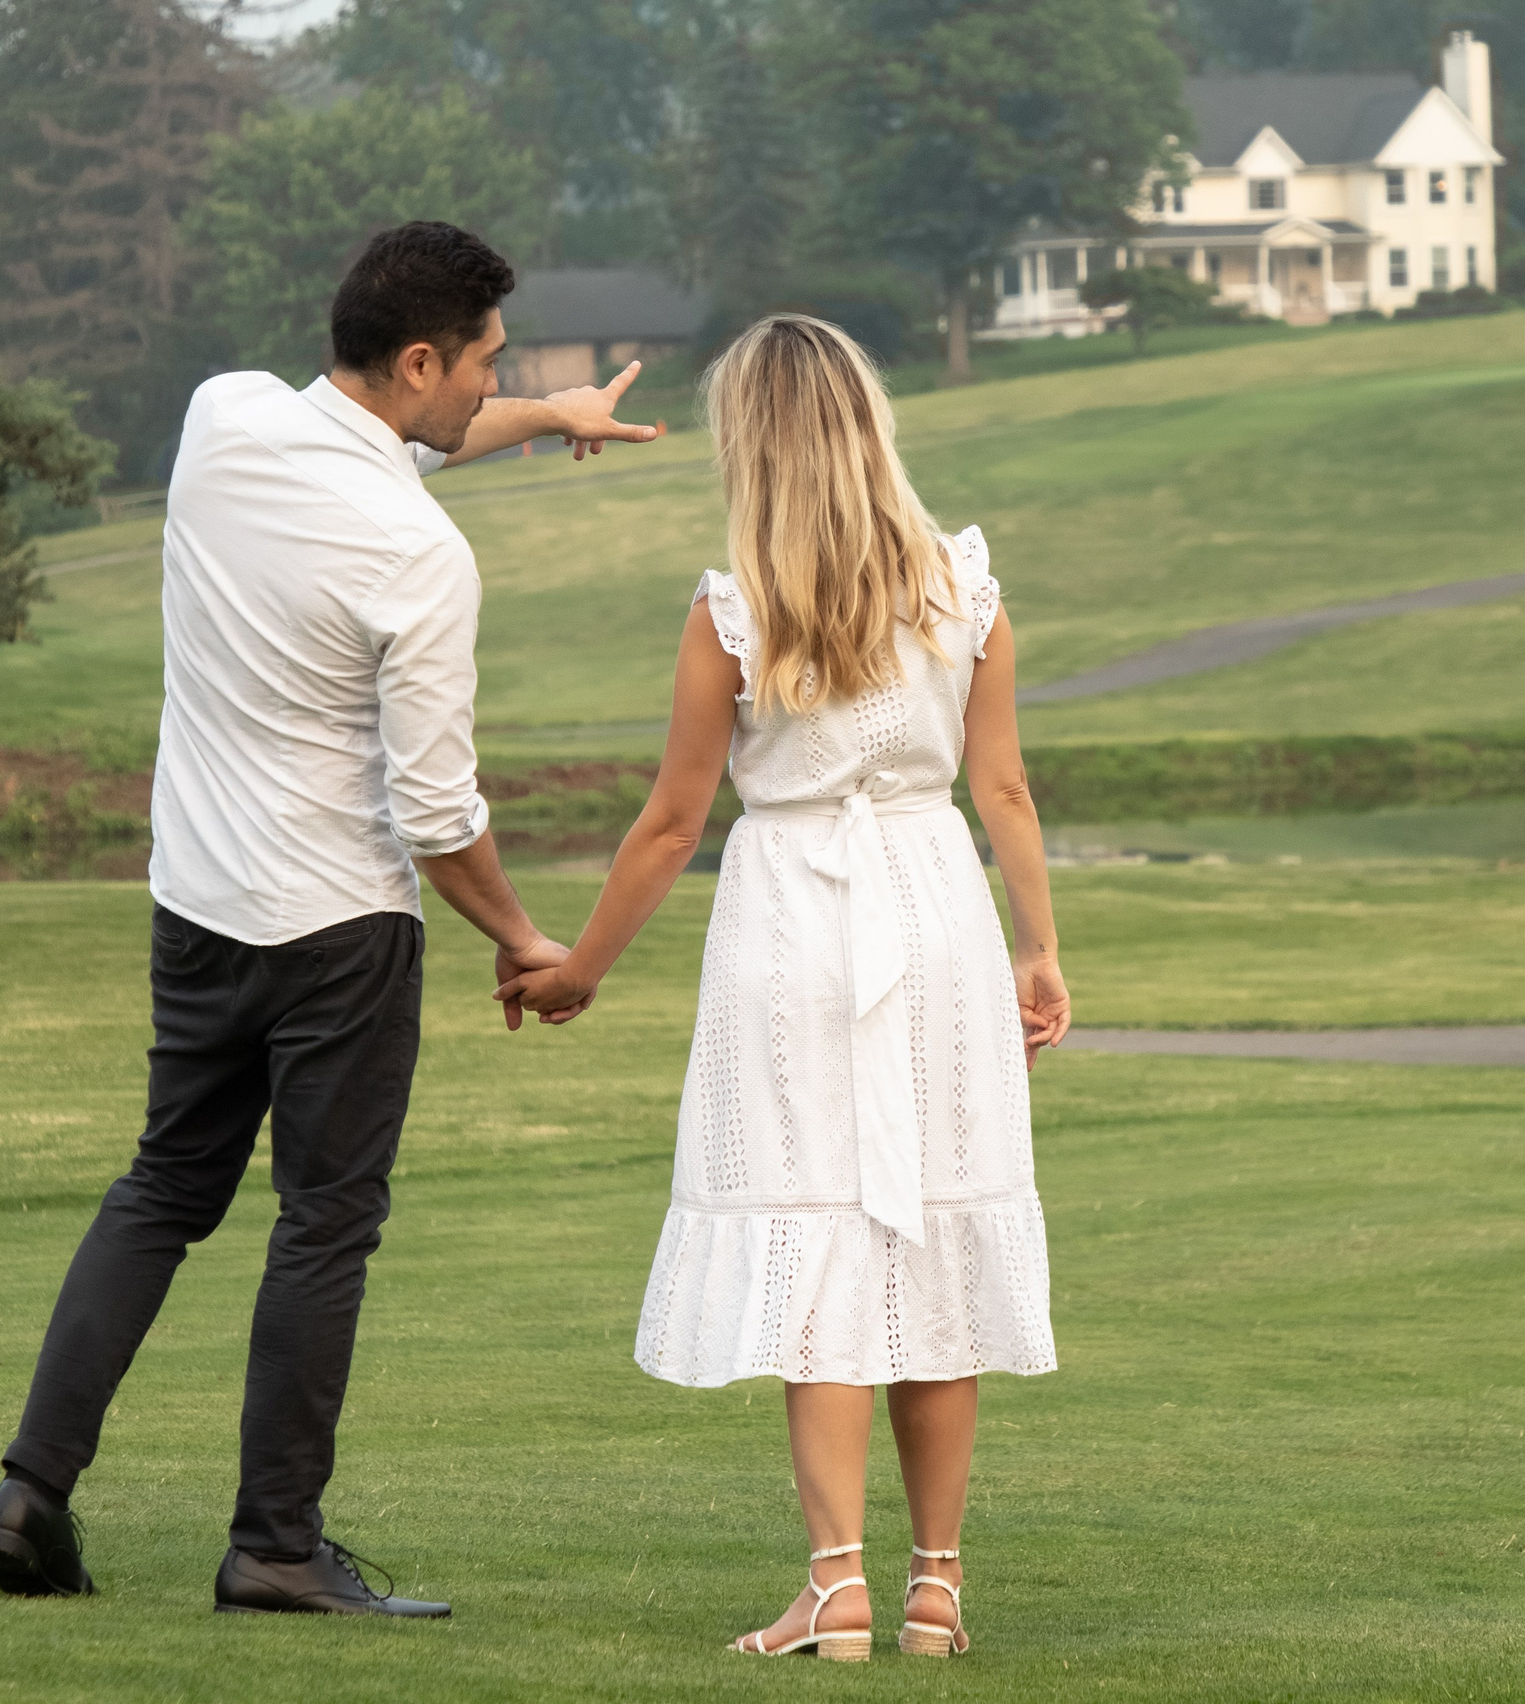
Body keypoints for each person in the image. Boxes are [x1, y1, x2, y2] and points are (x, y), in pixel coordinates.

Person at [0, 222, 657, 1616]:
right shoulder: (421, 555)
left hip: (198, 905)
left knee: (164, 1189)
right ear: (419, 360)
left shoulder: (223, 419)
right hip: (339, 929)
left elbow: (411, 437)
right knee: (324, 1227)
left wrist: (550, 419)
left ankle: (29, 1491)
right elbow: (438, 814)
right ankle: (275, 1545)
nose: (491, 385)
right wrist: (527, 940)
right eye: (485, 366)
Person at [496, 314, 1072, 1660]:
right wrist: (1037, 949)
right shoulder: (962, 591)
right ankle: (936, 1581)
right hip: (936, 913)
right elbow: (1003, 789)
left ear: (747, 444)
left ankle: (837, 1583)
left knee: (823, 1240)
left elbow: (670, 822)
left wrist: (579, 967)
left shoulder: (734, 610)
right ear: (870, 423)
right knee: (924, 1228)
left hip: (791, 928)